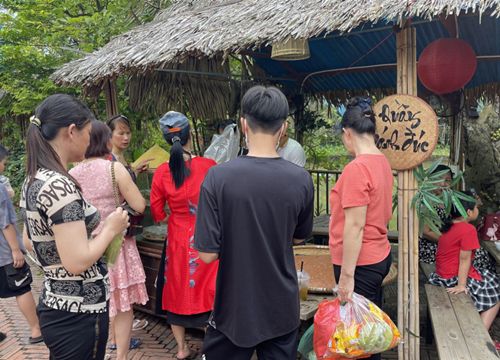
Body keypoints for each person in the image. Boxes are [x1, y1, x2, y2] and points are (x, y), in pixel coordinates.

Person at [194, 86, 314, 359]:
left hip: (234, 308)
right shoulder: (301, 180)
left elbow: (207, 254)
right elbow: (298, 238)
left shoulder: (217, 178)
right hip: (282, 306)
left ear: (243, 124)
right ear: (283, 128)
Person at [20, 94, 129, 360]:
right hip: (79, 312)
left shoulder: (34, 179)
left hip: (56, 303)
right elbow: (77, 261)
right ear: (71, 131)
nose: (91, 141)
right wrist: (110, 229)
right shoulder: (60, 186)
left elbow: (28, 240)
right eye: (89, 133)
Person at [69, 121, 148, 360]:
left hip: (87, 246)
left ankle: (100, 351)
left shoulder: (71, 175)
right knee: (123, 305)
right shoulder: (114, 170)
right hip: (117, 245)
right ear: (106, 142)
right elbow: (139, 205)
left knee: (98, 302)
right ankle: (121, 356)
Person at [150, 111, 218, 360]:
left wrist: (174, 216)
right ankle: (210, 348)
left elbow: (157, 212)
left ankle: (180, 348)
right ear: (189, 136)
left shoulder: (161, 173)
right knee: (209, 287)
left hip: (178, 238)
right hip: (206, 237)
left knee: (176, 288)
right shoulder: (209, 166)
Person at [329, 97, 393, 360]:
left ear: (347, 133)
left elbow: (354, 227)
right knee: (368, 332)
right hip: (379, 254)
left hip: (361, 262)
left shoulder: (358, 168)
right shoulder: (382, 162)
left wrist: (346, 276)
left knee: (356, 341)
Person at [428, 191, 500, 331]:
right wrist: (462, 285)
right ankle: (479, 333)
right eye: (475, 207)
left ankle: (477, 326)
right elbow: (464, 259)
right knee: (495, 296)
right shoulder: (468, 230)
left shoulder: (449, 226)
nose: (477, 210)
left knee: (491, 279)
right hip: (454, 279)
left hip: (442, 276)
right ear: (468, 212)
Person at [106, 114, 150, 333]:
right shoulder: (110, 161)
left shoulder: (121, 159)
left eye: (127, 132)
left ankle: (122, 328)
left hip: (124, 229)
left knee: (121, 279)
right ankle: (116, 336)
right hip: (116, 231)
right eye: (120, 133)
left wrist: (133, 170)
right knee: (116, 281)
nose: (125, 137)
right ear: (109, 134)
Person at [0, 145, 42, 345]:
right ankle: (36, 330)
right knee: (22, 288)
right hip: (5, 252)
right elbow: (5, 222)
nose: (3, 167)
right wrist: (15, 250)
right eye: (3, 163)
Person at [419, 165, 495, 272]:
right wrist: (452, 242)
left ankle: (473, 280)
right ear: (431, 180)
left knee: (483, 254)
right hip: (432, 247)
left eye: (447, 181)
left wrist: (473, 205)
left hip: (450, 241)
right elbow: (426, 232)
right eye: (438, 179)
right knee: (479, 257)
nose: (443, 184)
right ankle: (471, 282)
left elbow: (462, 216)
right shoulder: (426, 202)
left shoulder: (450, 199)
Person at [107, 115, 150, 180]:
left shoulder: (123, 157)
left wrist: (136, 171)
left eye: (128, 133)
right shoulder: (108, 160)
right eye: (121, 134)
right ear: (110, 134)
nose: (126, 138)